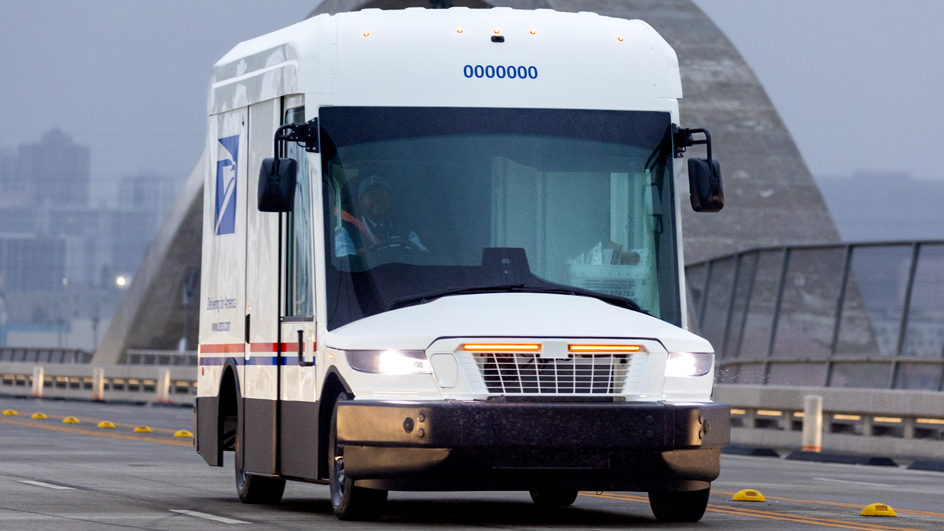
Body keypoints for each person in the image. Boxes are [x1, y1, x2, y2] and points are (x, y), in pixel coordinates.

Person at [335, 175, 427, 257]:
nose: (378, 199)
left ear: (391, 201)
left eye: (383, 194)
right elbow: (344, 261)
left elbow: (424, 257)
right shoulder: (347, 232)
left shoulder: (406, 232)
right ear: (360, 202)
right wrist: (359, 260)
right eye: (371, 195)